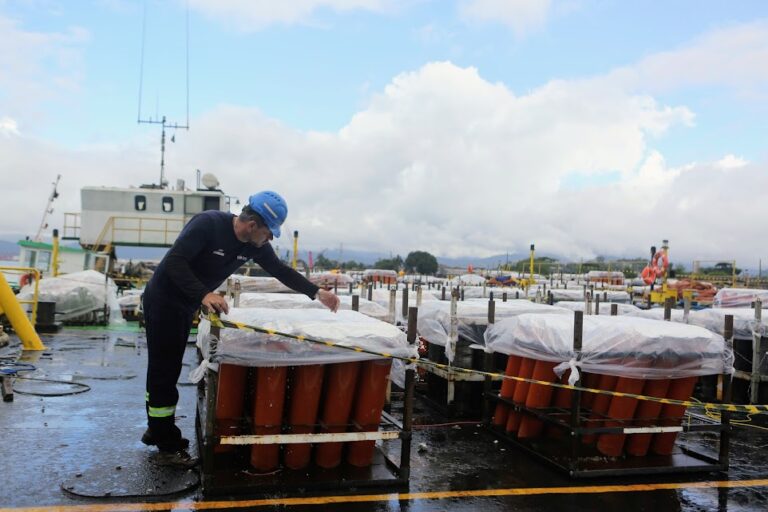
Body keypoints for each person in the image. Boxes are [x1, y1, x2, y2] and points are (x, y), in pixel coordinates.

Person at [141, 190, 339, 467]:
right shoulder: (208, 224)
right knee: (165, 370)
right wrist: (204, 294)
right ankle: (166, 446)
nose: (270, 239)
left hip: (185, 303)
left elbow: (280, 270)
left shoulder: (253, 245)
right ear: (252, 225)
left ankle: (157, 427)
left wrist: (317, 292)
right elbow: (175, 261)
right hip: (164, 300)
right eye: (270, 232)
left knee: (163, 369)